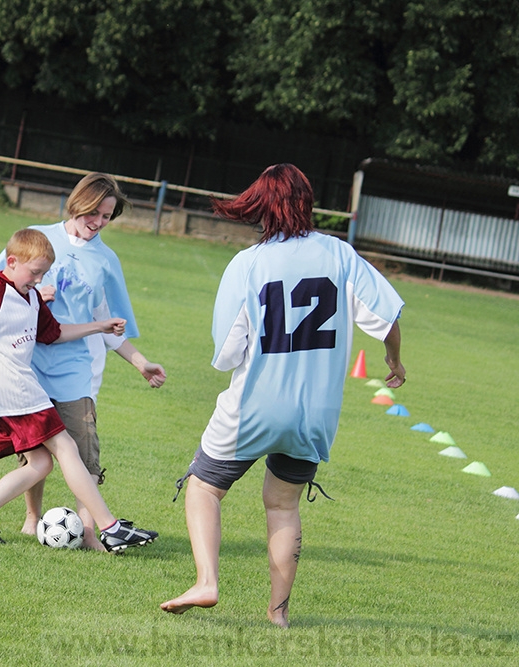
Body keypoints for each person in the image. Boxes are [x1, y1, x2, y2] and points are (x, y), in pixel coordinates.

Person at [159, 164, 406, 627]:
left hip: (255, 405)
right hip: (314, 413)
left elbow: (228, 352)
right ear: (306, 201)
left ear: (260, 205)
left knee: (205, 486)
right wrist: (395, 362)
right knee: (283, 503)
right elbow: (388, 317)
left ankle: (207, 582)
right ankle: (278, 614)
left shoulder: (248, 263)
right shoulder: (339, 253)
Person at [0, 228, 158, 552]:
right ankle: (110, 528)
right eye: (35, 272)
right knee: (67, 447)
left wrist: (100, 326)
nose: (39, 279)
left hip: (16, 390)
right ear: (12, 262)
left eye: (43, 272)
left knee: (41, 463)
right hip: (12, 390)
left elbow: (54, 333)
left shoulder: (29, 296)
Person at [0, 172, 166, 551]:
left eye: (107, 217)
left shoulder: (105, 260)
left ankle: (89, 532)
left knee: (84, 452)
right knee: (34, 451)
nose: (99, 223)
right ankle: (32, 518)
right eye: (95, 213)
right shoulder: (35, 237)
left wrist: (140, 362)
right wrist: (35, 295)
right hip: (28, 366)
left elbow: (109, 323)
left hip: (75, 370)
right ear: (77, 204)